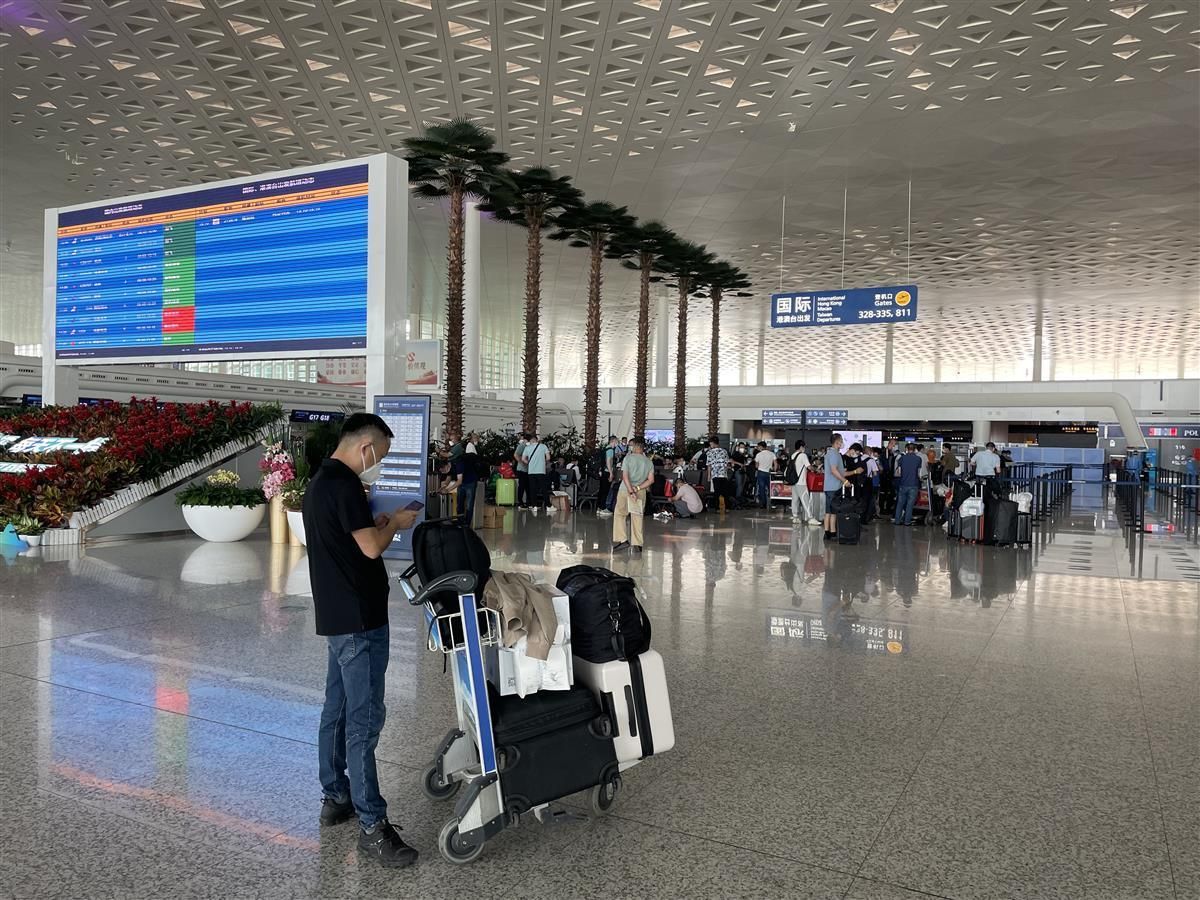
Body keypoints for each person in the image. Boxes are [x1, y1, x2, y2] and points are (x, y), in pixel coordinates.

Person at [303, 413, 421, 868]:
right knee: (364, 721)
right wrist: (398, 524)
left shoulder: (320, 482)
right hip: (360, 620)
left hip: (336, 618)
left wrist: (378, 522)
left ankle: (336, 796)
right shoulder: (347, 485)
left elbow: (351, 539)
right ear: (365, 447)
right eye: (380, 456)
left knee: (335, 710)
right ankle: (373, 825)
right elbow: (372, 547)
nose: (379, 464)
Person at [613, 437, 654, 554]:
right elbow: (651, 480)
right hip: (640, 491)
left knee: (620, 514)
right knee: (637, 516)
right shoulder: (648, 462)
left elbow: (625, 477)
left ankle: (623, 540)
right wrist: (637, 488)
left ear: (635, 446)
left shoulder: (628, 458)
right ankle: (637, 544)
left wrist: (631, 491)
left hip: (625, 490)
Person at [823, 433, 848, 540]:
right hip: (833, 487)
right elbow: (834, 470)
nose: (842, 443)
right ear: (837, 442)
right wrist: (844, 481)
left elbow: (839, 471)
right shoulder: (833, 454)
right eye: (841, 441)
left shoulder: (833, 453)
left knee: (830, 511)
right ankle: (831, 532)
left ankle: (829, 532)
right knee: (832, 511)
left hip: (831, 486)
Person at [449, 442, 481, 528]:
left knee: (468, 505)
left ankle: (466, 525)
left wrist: (448, 489)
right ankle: (461, 522)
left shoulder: (459, 462)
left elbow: (459, 481)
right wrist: (445, 486)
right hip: (464, 482)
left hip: (470, 482)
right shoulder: (453, 463)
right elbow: (449, 476)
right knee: (460, 504)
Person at [788, 440, 819, 526]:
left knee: (795, 500)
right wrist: (816, 469)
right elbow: (809, 467)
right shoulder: (803, 455)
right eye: (804, 447)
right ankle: (810, 518)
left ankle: (795, 517)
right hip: (801, 482)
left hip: (794, 481)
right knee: (805, 500)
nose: (805, 448)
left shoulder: (793, 455)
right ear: (801, 447)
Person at [893, 442, 923, 526]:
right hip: (913, 484)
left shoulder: (902, 458)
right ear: (915, 450)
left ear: (907, 449)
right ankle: (907, 522)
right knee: (910, 505)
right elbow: (919, 473)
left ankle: (897, 521)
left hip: (903, 483)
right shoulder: (918, 459)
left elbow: (898, 472)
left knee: (900, 504)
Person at [703, 437, 734, 510]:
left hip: (715, 474)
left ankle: (717, 508)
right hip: (723, 474)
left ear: (713, 443)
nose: (710, 445)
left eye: (711, 444)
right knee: (725, 492)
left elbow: (709, 465)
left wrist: (709, 476)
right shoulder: (724, 451)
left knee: (717, 492)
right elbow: (727, 463)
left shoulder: (709, 452)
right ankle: (727, 507)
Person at [523, 431, 550, 512]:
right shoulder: (543, 446)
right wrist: (543, 462)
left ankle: (534, 506)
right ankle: (548, 506)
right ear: (536, 440)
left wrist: (529, 463)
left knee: (532, 489)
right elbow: (548, 458)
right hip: (541, 471)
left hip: (531, 471)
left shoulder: (527, 448)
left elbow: (523, 459)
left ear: (531, 440)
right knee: (544, 488)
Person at [754, 441, 776, 509]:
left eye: (758, 446)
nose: (758, 448)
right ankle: (773, 503)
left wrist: (759, 466)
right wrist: (774, 471)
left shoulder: (758, 455)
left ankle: (763, 504)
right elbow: (776, 464)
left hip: (761, 473)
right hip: (769, 473)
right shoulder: (772, 454)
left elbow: (756, 466)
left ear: (761, 447)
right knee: (771, 488)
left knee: (762, 489)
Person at [514, 432, 530, 509]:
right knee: (522, 486)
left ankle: (528, 501)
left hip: (527, 470)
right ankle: (520, 502)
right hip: (521, 469)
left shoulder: (528, 447)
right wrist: (522, 462)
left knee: (527, 486)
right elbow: (516, 455)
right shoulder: (522, 446)